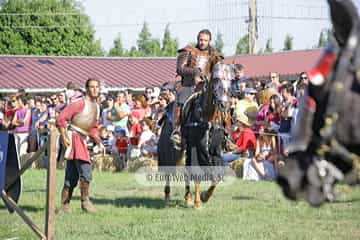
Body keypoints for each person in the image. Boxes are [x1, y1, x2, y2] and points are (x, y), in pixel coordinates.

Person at [56, 78, 104, 214]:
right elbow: (61, 119)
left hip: (82, 139)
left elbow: (93, 128)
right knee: (86, 171)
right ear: (87, 88)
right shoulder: (79, 103)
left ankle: (65, 206)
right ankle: (85, 202)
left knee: (71, 175)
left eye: (97, 87)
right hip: (74, 138)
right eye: (92, 87)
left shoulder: (97, 107)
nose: (95, 89)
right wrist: (64, 136)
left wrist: (99, 142)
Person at [171, 29, 223, 148]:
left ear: (209, 41)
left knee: (221, 103)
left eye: (205, 40)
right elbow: (180, 69)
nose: (202, 42)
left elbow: (219, 70)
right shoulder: (188, 51)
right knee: (181, 101)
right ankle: (177, 131)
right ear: (197, 39)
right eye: (201, 40)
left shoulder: (214, 55)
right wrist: (195, 71)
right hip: (189, 85)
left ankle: (225, 134)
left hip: (206, 87)